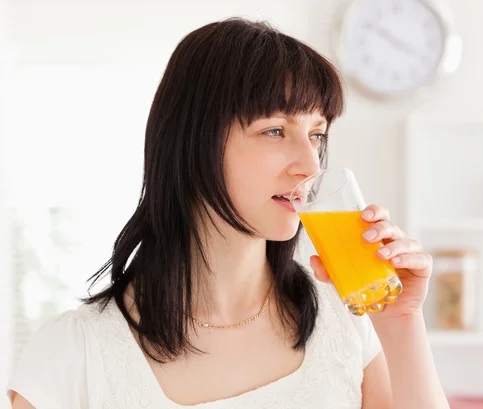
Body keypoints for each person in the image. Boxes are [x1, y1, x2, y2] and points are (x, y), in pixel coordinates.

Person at [7, 18, 449, 409]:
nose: (311, 165)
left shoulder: (345, 325)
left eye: (317, 134)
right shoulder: (74, 353)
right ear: (194, 143)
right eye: (275, 131)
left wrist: (401, 323)